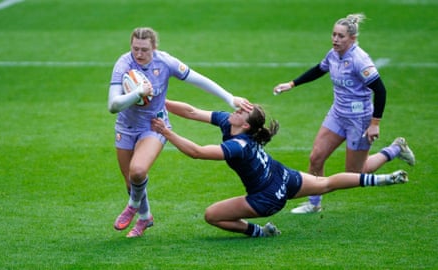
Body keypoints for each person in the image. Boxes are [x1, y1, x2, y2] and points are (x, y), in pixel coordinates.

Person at [150, 100, 408, 237]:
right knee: (327, 183)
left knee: (212, 215)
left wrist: (166, 131)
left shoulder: (239, 144)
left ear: (246, 125)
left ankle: (259, 232)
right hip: (283, 176)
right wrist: (158, 100)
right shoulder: (229, 123)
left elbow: (197, 153)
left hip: (266, 198)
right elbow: (193, 111)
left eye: (240, 112)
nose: (235, 110)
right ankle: (384, 176)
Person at [108, 27, 252, 238]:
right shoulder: (123, 64)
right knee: (130, 182)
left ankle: (132, 207)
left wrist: (230, 99)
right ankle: (145, 217)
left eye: (144, 50)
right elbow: (113, 105)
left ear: (154, 48)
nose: (139, 54)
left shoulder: (165, 62)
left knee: (137, 171)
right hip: (125, 127)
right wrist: (138, 92)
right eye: (135, 49)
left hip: (154, 125)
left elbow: (199, 79)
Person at [273, 13, 415, 214]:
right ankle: (314, 203)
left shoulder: (360, 60)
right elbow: (319, 69)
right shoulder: (333, 54)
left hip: (360, 120)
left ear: (352, 39)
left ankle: (395, 149)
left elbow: (380, 90)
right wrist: (292, 84)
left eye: (341, 36)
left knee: (356, 173)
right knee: (316, 158)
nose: (335, 40)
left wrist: (375, 123)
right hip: (337, 115)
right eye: (333, 35)